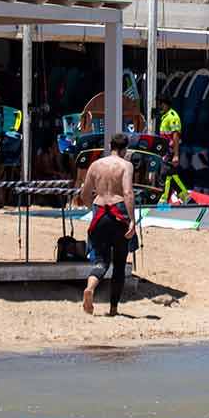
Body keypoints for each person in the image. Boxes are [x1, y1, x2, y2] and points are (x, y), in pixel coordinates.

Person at [76, 133, 138, 316]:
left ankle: (90, 288)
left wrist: (93, 208)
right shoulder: (126, 165)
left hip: (100, 211)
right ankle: (113, 308)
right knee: (119, 263)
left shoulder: (95, 165)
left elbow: (84, 193)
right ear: (125, 149)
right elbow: (127, 192)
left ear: (110, 146)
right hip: (118, 211)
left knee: (102, 261)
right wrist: (132, 220)